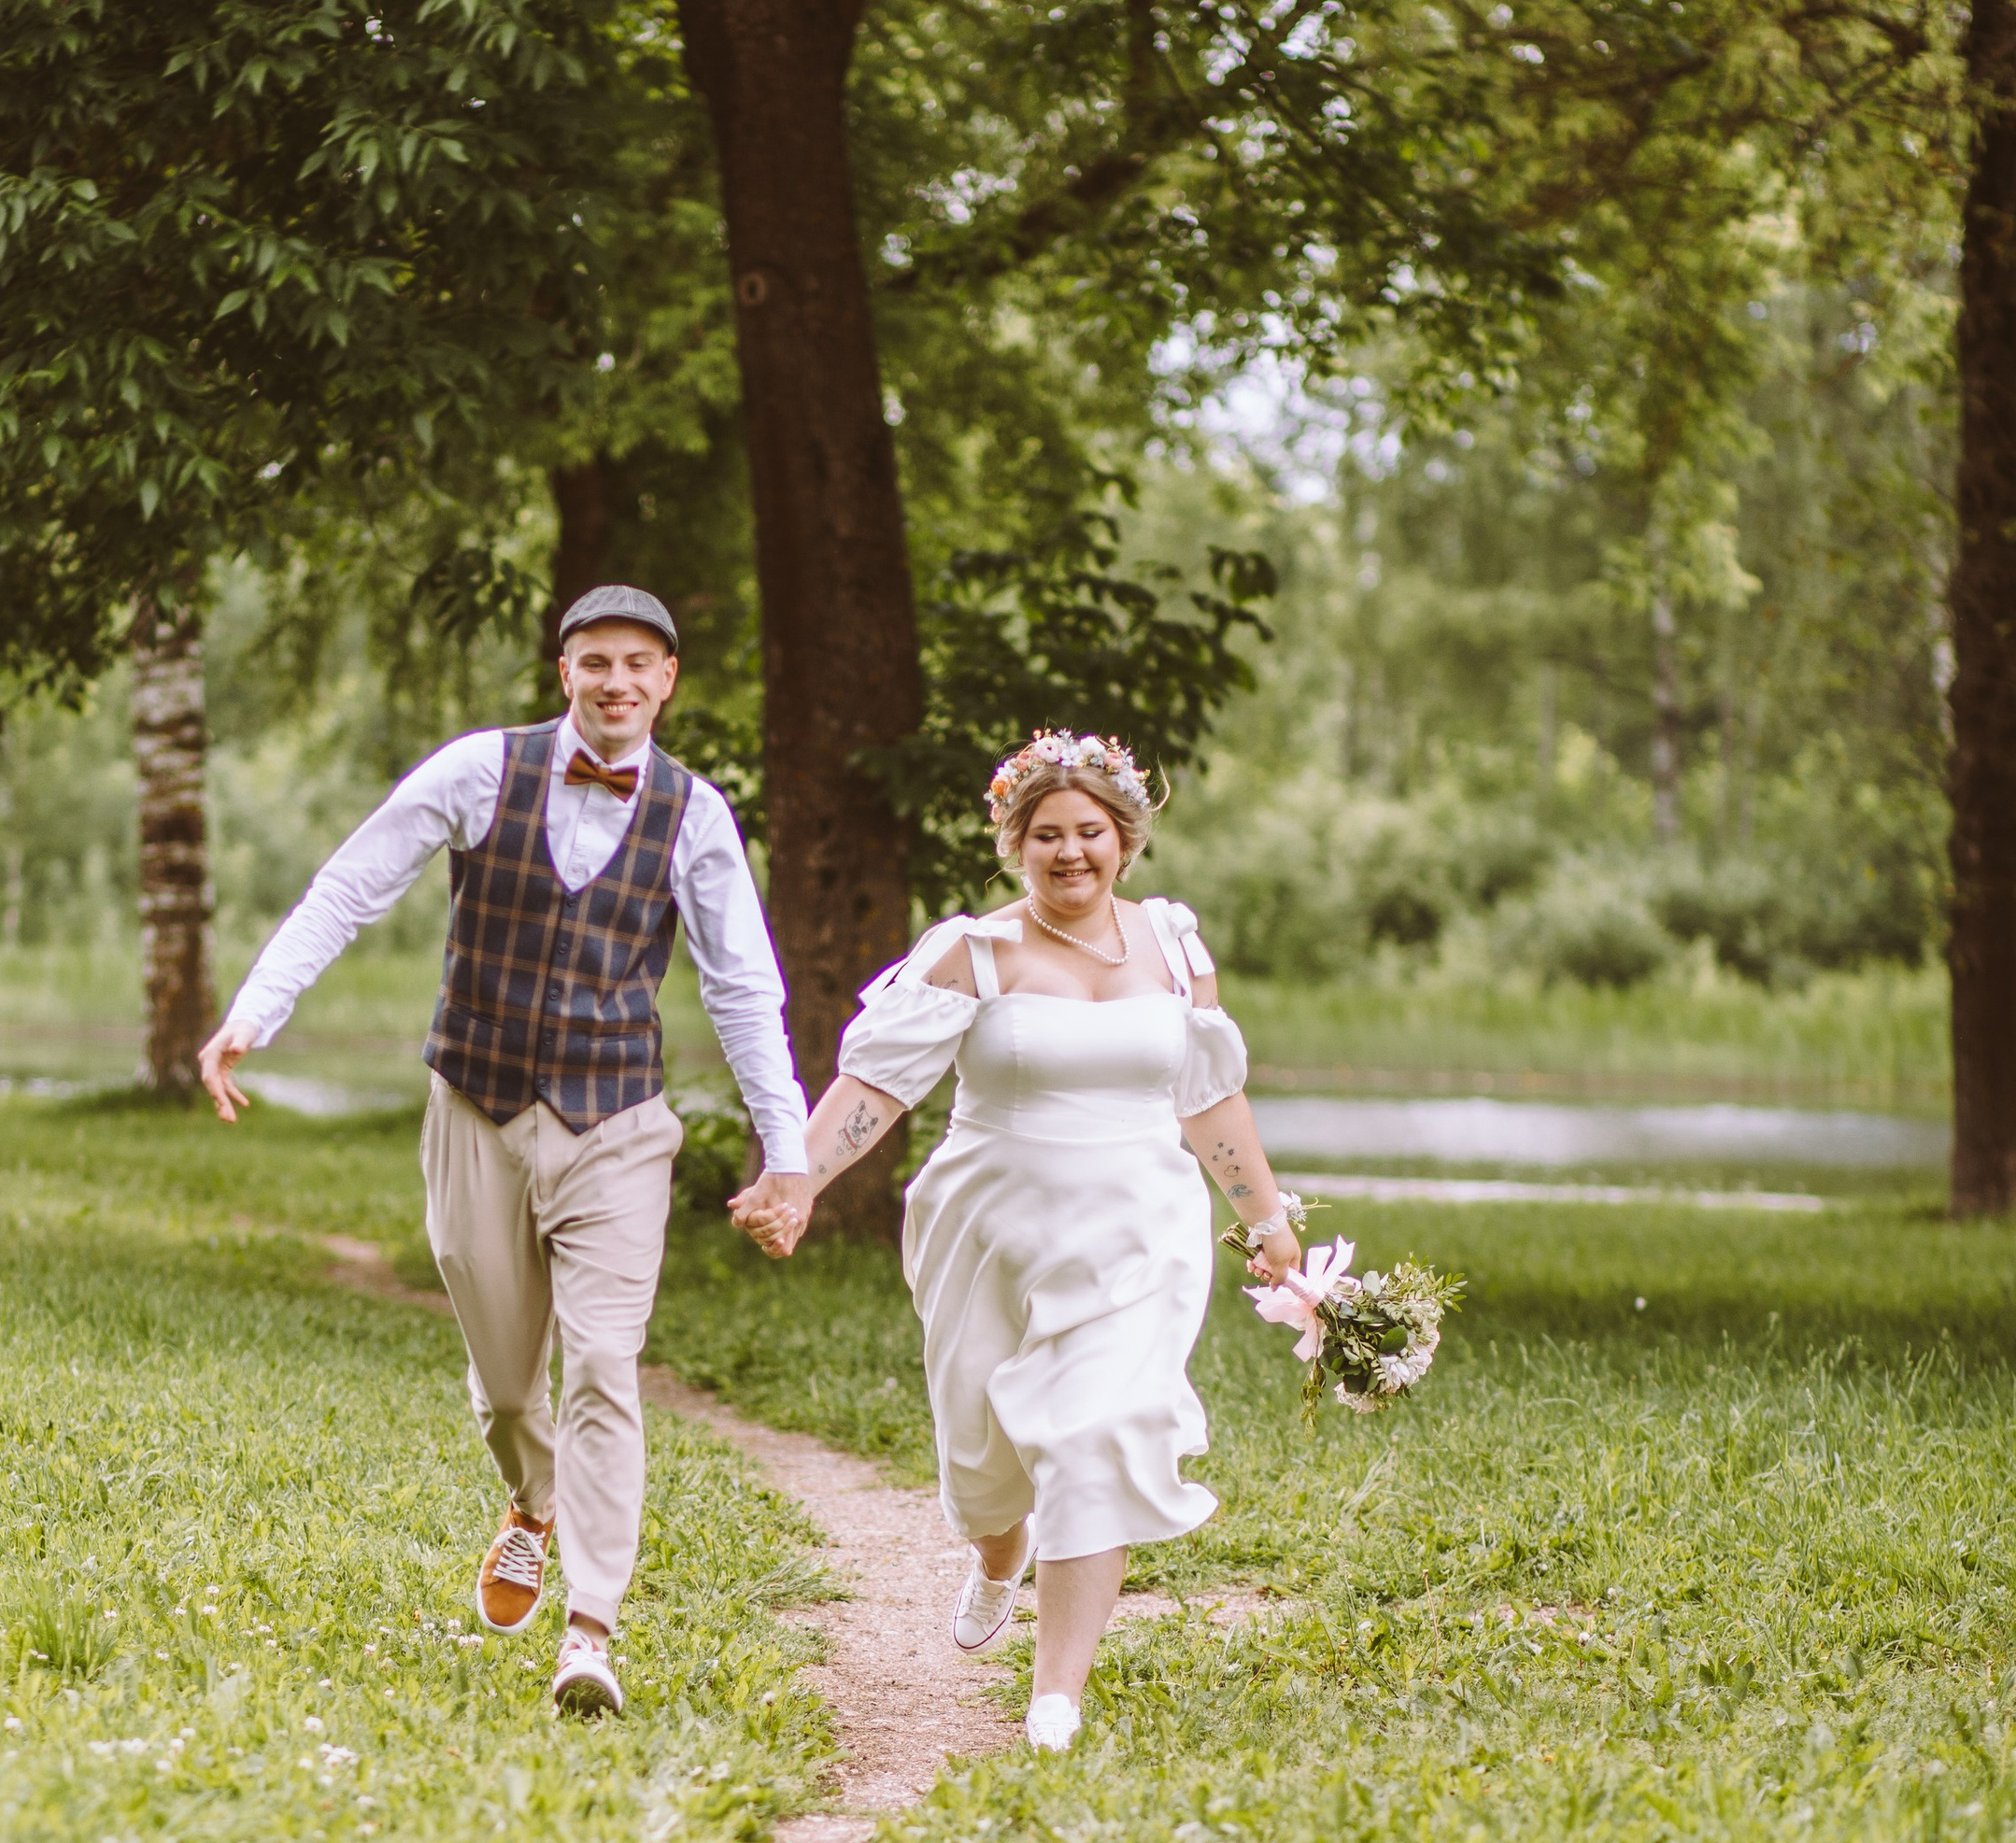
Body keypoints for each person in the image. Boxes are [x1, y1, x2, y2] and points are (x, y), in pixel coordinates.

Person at [198, 586, 809, 1717]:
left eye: (639, 663)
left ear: (669, 680)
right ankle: (531, 1505)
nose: (616, 681)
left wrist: (789, 1151)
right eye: (595, 662)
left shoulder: (696, 814)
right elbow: (351, 885)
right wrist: (254, 1013)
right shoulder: (480, 770)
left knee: (604, 1364)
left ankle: (591, 1629)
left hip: (618, 1120)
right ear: (563, 671)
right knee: (502, 1380)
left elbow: (741, 987)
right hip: (474, 1106)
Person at [730, 730, 1300, 1751]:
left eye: (1090, 832)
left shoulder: (1173, 947)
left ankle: (1055, 1698)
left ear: (1124, 838)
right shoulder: (971, 950)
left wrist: (1266, 1220)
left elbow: (1208, 1095)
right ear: (1015, 840)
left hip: (1137, 1227)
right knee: (982, 1458)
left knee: (1102, 1431)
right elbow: (875, 1089)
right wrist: (800, 1182)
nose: (1070, 851)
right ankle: (1000, 1554)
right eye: (1047, 834)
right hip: (986, 1226)